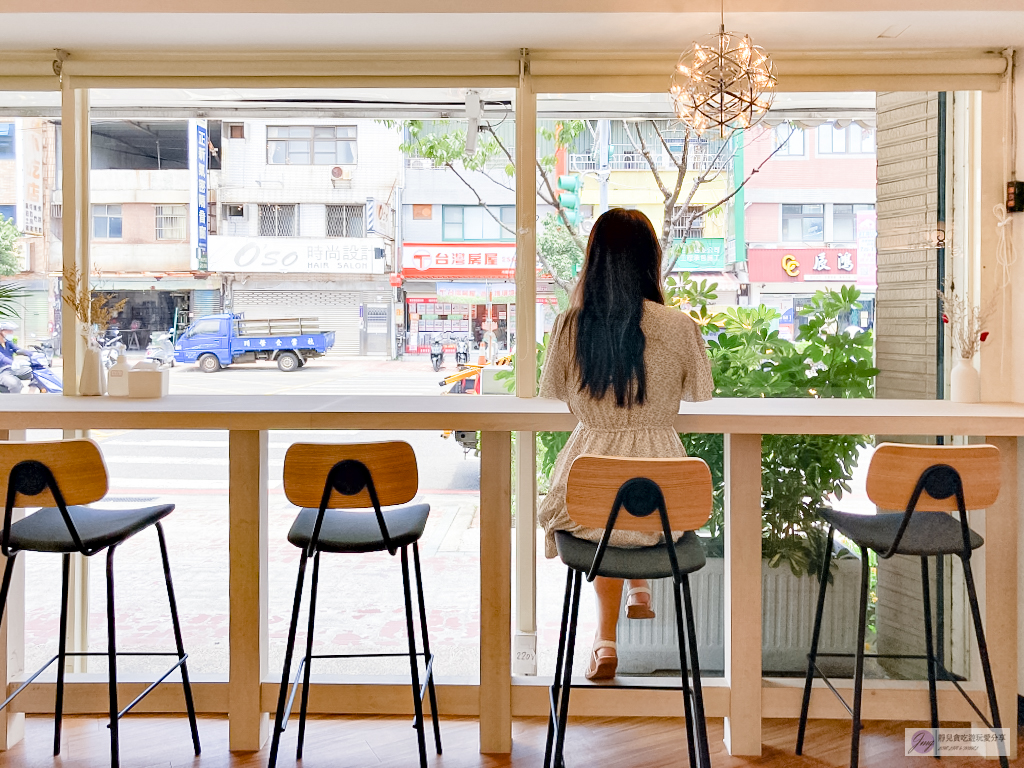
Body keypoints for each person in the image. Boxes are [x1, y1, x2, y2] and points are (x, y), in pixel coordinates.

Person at [537, 208, 714, 680]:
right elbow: (702, 391)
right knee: (634, 509)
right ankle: (639, 590)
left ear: (594, 261)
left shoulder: (570, 327)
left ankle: (605, 638)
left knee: (604, 518)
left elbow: (552, 391)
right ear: (650, 261)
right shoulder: (679, 326)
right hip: (665, 509)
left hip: (590, 491)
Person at [0, 321, 25, 394]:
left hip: (10, 368)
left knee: (34, 371)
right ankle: (15, 403)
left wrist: (32, 354)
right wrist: (12, 362)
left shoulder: (7, 343)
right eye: (9, 331)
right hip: (1, 371)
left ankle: (31, 393)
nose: (11, 333)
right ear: (1, 332)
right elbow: (2, 358)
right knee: (14, 384)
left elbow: (17, 350)